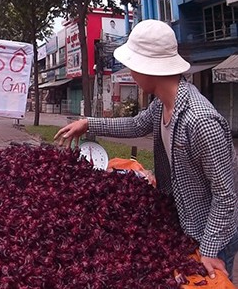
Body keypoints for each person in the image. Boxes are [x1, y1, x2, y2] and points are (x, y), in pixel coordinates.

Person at [54, 20, 238, 280]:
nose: (130, 73)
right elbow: (137, 124)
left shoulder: (200, 122)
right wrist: (88, 123)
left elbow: (226, 196)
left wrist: (209, 248)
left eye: (133, 66)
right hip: (185, 220)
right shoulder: (163, 103)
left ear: (149, 68)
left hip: (211, 233)